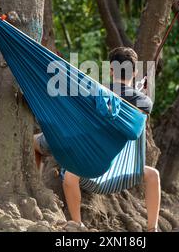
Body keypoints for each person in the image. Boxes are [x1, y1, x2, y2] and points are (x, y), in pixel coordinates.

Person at [33, 47, 161, 232]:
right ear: (134, 72)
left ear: (111, 70)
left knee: (39, 147)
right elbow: (127, 99)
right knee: (153, 175)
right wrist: (139, 92)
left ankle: (75, 222)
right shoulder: (143, 103)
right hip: (121, 168)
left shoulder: (94, 91)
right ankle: (152, 228)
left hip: (87, 163)